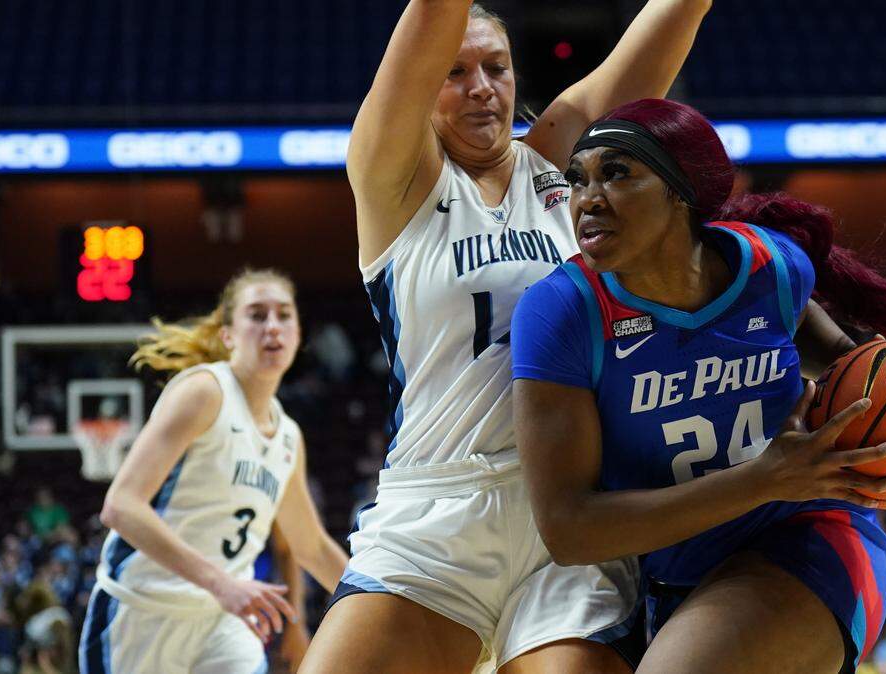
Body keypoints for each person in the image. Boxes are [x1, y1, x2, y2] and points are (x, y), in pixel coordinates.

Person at [510, 98, 886, 674]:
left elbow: (852, 371)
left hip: (807, 537)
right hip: (676, 571)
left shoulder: (769, 267)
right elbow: (569, 531)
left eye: (617, 173)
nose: (587, 200)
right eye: (577, 180)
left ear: (680, 191)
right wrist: (761, 478)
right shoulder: (561, 310)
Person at [301, 3, 715, 673]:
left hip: (571, 513)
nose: (481, 87)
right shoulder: (394, 179)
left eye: (497, 68)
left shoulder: (558, 158)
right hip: (436, 514)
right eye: (454, 72)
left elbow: (666, 28)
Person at [79, 269, 348, 674]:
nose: (272, 326)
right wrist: (222, 584)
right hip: (142, 614)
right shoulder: (205, 392)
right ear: (227, 335)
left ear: (298, 333)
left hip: (223, 621)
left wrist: (383, 600)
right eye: (256, 315)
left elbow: (310, 545)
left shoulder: (288, 434)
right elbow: (120, 506)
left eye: (284, 315)